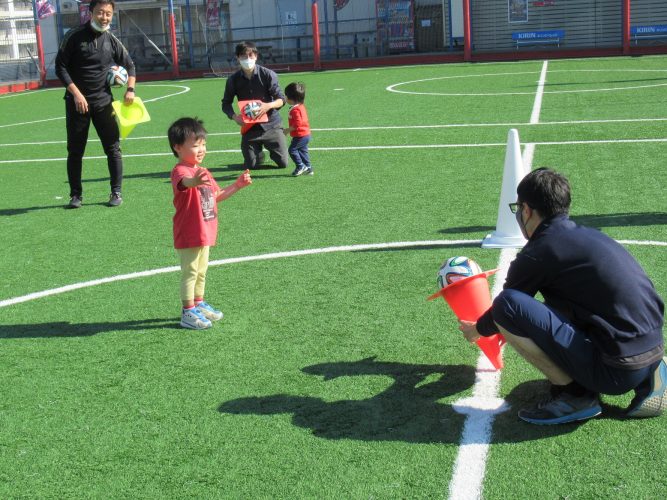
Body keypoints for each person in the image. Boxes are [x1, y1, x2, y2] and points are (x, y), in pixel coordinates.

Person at [459, 168, 665, 425]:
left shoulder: (538, 251)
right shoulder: (589, 235)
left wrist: (477, 329)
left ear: (526, 210)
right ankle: (652, 373)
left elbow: (508, 308)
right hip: (651, 346)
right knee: (568, 300)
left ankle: (575, 396)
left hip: (616, 372)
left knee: (507, 305)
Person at [168, 117, 252, 330]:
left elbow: (216, 195)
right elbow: (184, 183)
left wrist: (237, 185)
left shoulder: (202, 170)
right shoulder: (181, 170)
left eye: (203, 144)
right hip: (189, 231)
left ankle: (198, 303)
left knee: (202, 270)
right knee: (190, 271)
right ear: (178, 148)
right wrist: (194, 181)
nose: (201, 149)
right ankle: (187, 311)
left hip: (205, 230)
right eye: (195, 145)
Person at [55, 0, 136, 209]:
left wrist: (130, 89)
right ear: (91, 12)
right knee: (75, 151)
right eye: (100, 12)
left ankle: (116, 192)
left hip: (103, 103)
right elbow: (60, 67)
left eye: (108, 14)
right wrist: (76, 94)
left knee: (113, 149)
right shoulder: (74, 36)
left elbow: (130, 66)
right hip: (77, 104)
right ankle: (75, 196)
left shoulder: (112, 40)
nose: (105, 17)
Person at [221, 41, 289, 170]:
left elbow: (281, 99)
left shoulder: (268, 75)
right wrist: (235, 117)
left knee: (283, 163)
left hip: (272, 125)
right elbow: (225, 104)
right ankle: (258, 155)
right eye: (243, 56)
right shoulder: (233, 80)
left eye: (250, 56)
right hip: (250, 128)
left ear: (256, 56)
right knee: (251, 165)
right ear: (237, 58)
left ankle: (271, 148)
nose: (247, 59)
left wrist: (267, 106)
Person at [283, 81, 313, 177]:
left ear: (292, 99)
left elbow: (298, 124)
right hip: (305, 134)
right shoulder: (300, 107)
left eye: (286, 96)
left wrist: (288, 130)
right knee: (303, 151)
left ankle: (300, 166)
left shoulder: (295, 110)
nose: (285, 97)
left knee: (292, 150)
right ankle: (309, 168)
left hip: (300, 135)